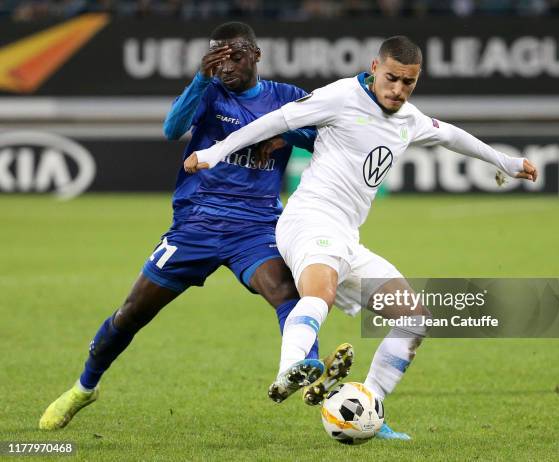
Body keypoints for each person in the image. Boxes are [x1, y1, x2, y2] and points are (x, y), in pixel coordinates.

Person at [183, 35, 538, 440]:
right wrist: (217, 152)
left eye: (409, 83)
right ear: (374, 67)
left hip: (347, 237)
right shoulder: (341, 96)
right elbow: (277, 120)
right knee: (320, 294)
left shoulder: (409, 119)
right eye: (391, 78)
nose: (398, 90)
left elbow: (451, 135)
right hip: (309, 220)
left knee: (414, 320)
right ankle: (289, 368)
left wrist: (506, 161)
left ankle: (369, 407)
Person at [39, 21, 353, 431]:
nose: (226, 67)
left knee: (286, 293)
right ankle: (84, 387)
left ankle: (302, 366)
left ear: (256, 54)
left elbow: (322, 139)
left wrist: (283, 134)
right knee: (132, 312)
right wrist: (198, 80)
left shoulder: (285, 98)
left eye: (235, 56)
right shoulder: (209, 92)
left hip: (256, 227)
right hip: (197, 223)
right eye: (218, 58)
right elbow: (172, 130)